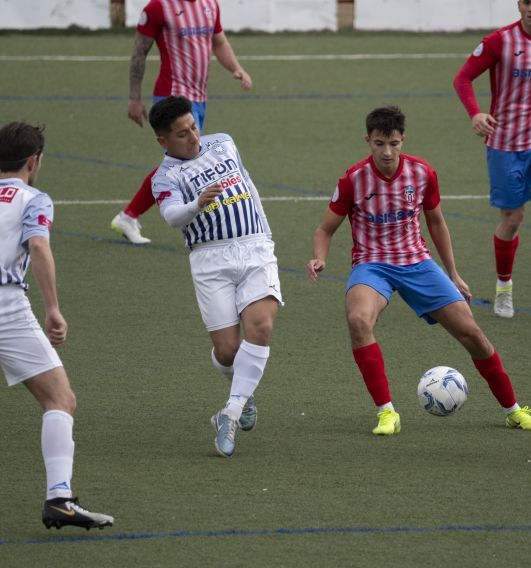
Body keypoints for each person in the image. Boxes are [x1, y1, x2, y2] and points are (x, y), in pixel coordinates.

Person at [307, 106, 531, 435]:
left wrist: (453, 273)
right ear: (368, 141)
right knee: (358, 320)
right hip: (372, 266)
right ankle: (387, 412)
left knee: (472, 334)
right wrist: (319, 257)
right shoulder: (352, 179)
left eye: (393, 143)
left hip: (417, 263)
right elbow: (324, 229)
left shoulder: (422, 174)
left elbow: (436, 222)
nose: (387, 152)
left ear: (403, 139)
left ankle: (513, 409)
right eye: (379, 144)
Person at [148, 96, 281, 457]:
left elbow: (249, 186)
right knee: (227, 351)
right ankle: (244, 393)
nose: (193, 137)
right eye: (182, 134)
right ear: (163, 141)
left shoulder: (223, 142)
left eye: (193, 127)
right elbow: (173, 216)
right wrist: (197, 204)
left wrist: (265, 235)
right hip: (209, 260)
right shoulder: (164, 177)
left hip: (254, 248)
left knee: (262, 327)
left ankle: (230, 414)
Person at [0, 122, 114, 529]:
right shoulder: (33, 198)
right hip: (6, 306)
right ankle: (59, 499)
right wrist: (53, 309)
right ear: (34, 162)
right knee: (59, 399)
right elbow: (38, 246)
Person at [453, 0, 531, 319]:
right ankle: (504, 289)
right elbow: (462, 79)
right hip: (505, 145)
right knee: (512, 220)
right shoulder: (499, 41)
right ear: (519, 5)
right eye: (527, 2)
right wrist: (476, 114)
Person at [111, 0, 253, 245]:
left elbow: (218, 41)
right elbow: (139, 52)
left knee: (182, 163)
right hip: (172, 97)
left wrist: (236, 68)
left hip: (198, 99)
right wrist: (135, 98)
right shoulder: (158, 7)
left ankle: (130, 216)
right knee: (179, 163)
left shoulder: (210, 4)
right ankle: (130, 215)